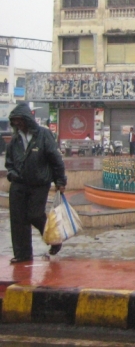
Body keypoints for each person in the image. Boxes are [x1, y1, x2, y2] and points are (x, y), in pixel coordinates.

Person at [4, 103, 67, 263]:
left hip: (39, 183)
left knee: (35, 215)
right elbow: (9, 161)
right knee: (18, 220)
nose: (18, 124)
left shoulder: (43, 135)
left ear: (28, 120)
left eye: (20, 120)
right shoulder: (15, 140)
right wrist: (12, 174)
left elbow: (56, 159)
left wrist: (60, 180)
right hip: (18, 184)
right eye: (15, 121)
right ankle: (22, 254)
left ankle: (53, 239)